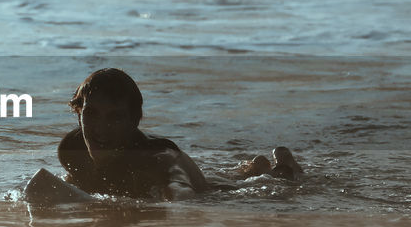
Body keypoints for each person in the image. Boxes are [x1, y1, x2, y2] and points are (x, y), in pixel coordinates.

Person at [24, 67, 301, 205]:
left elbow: (183, 195)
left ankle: (282, 165)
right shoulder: (75, 154)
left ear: (134, 122)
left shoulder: (159, 160)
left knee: (249, 185)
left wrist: (175, 194)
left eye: (115, 117)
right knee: (232, 176)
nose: (100, 128)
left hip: (208, 189)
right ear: (78, 114)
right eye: (92, 114)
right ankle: (252, 166)